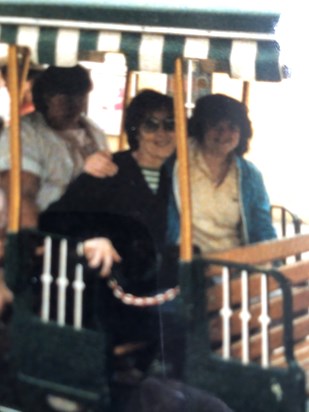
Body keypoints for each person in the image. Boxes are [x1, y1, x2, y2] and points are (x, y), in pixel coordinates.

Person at [47, 89, 176, 252]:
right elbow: (58, 219)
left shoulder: (181, 173)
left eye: (171, 124)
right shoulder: (107, 169)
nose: (161, 133)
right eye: (151, 125)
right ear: (136, 130)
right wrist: (92, 240)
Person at [0, 64, 117, 229]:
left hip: (92, 228)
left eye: (77, 95)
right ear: (44, 96)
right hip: (48, 228)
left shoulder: (94, 132)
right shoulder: (25, 133)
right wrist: (31, 242)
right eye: (59, 96)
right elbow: (20, 195)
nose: (69, 103)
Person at [167, 93, 277, 254]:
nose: (224, 134)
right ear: (201, 128)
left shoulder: (250, 175)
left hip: (233, 264)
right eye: (215, 126)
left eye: (232, 127)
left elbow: (262, 227)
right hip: (187, 263)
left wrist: (273, 260)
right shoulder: (177, 163)